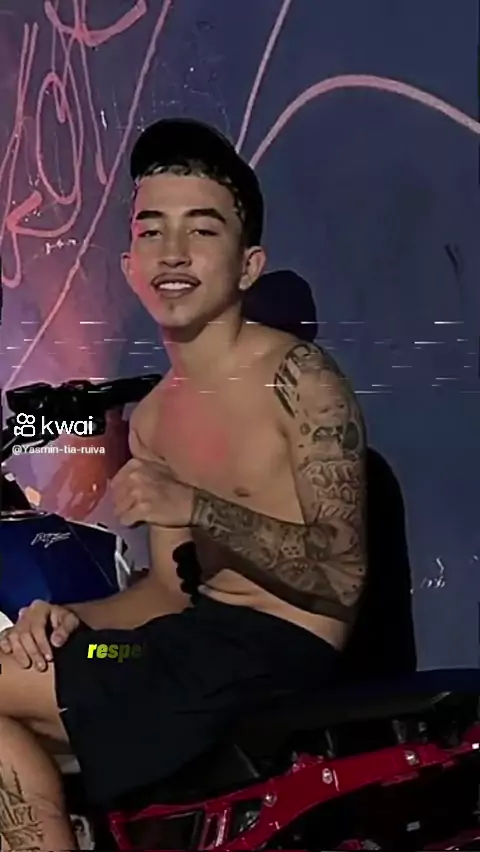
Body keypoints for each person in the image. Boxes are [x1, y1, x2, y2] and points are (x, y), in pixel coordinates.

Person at [0, 118, 367, 851]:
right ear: (130, 262)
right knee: (18, 660)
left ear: (248, 264)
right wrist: (71, 619)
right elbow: (167, 594)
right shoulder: (154, 419)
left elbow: (342, 572)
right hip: (173, 649)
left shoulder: (299, 376)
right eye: (152, 231)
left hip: (271, 653)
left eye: (201, 229)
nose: (173, 251)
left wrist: (197, 505)